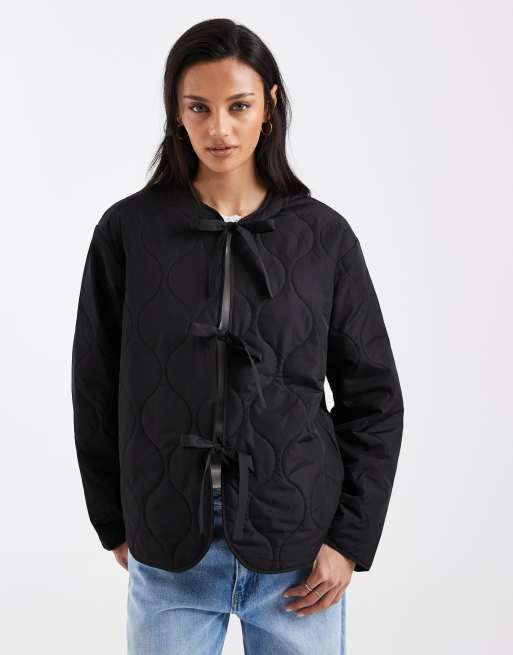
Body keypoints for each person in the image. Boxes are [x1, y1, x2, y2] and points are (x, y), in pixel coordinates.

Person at [71, 17, 404, 655]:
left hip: (299, 550)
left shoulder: (324, 238)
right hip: (170, 541)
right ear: (176, 112)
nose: (219, 128)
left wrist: (349, 541)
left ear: (270, 105)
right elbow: (95, 383)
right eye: (199, 107)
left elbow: (374, 399)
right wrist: (112, 520)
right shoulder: (128, 232)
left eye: (239, 106)